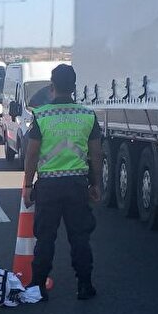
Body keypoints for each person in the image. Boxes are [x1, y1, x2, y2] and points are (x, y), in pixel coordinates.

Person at [22, 64, 102, 300]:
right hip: (77, 184)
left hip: (48, 185)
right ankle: (85, 285)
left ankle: (37, 286)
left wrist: (27, 185)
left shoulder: (42, 115)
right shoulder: (87, 115)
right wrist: (96, 184)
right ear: (75, 87)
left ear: (52, 85)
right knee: (80, 236)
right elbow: (96, 154)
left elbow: (32, 153)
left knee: (45, 237)